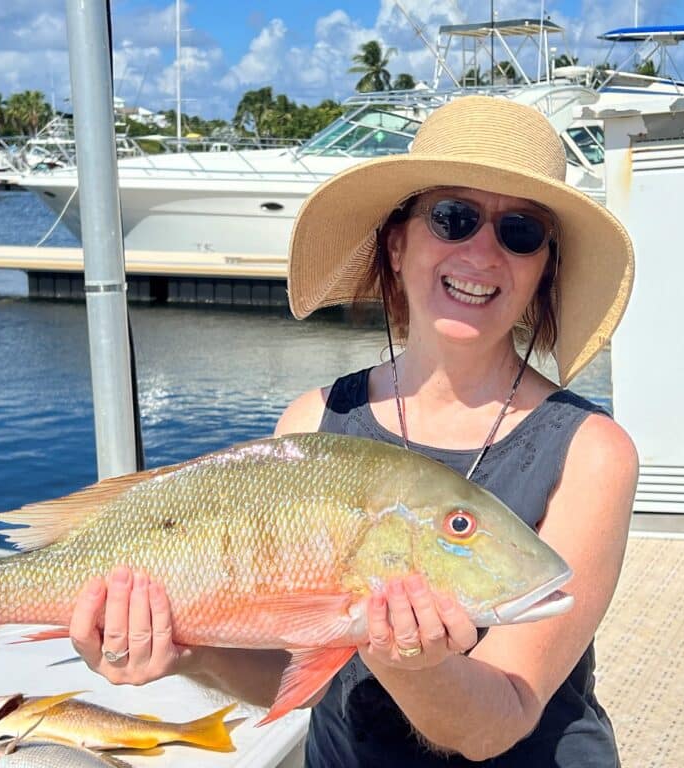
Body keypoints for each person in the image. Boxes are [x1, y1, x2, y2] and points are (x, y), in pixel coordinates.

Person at [69, 95, 639, 766]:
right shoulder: (313, 423)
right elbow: (292, 675)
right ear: (397, 244)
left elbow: (497, 724)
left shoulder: (592, 451)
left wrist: (406, 659)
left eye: (520, 231)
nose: (482, 251)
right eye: (453, 218)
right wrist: (186, 649)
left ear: (545, 265)